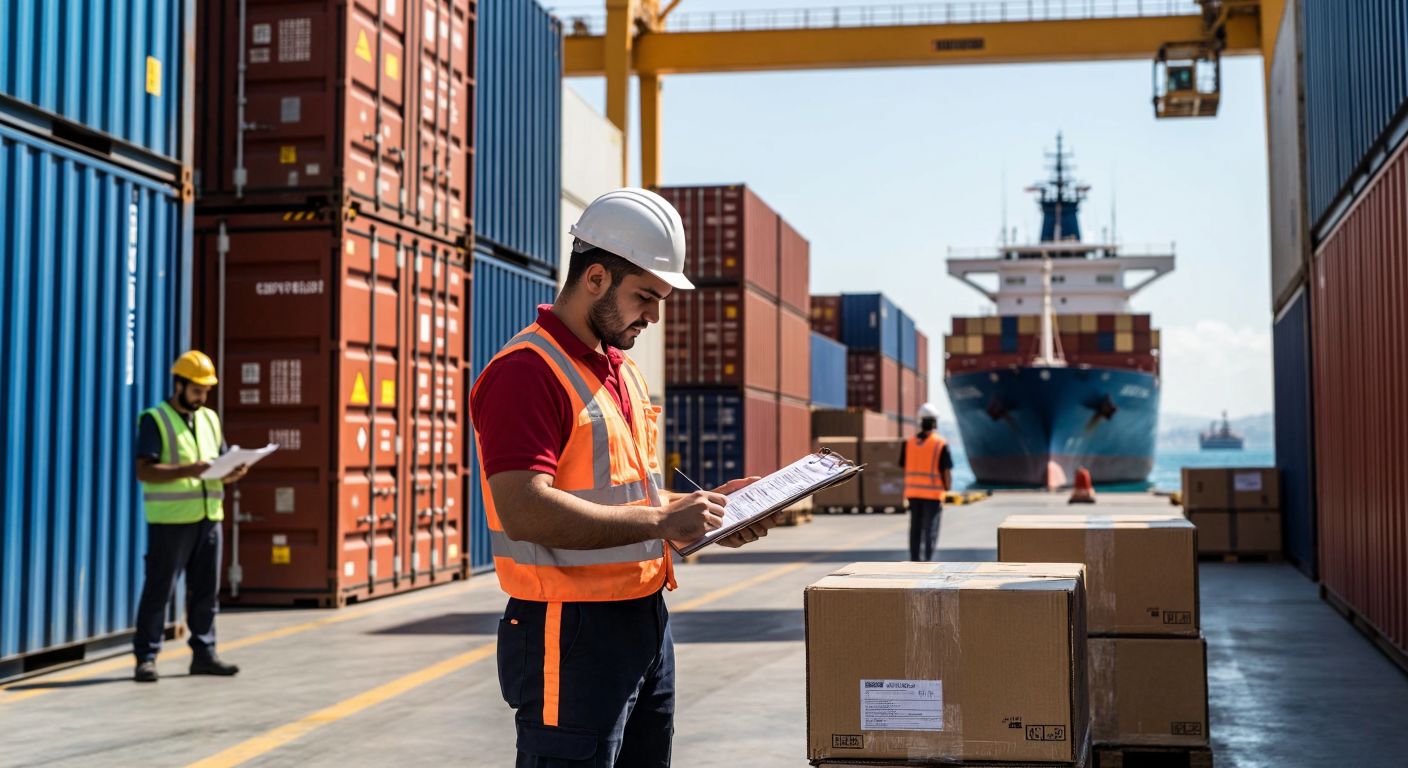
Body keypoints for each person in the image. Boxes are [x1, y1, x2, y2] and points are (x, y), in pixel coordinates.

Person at [470, 187, 778, 767]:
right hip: (569, 629)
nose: (655, 316)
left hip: (644, 621)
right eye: (645, 297)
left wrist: (705, 510)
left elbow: (625, 494)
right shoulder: (526, 374)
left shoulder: (621, 372)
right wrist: (664, 518)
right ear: (594, 279)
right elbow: (525, 509)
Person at [132, 350, 246, 683]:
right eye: (197, 389)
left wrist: (232, 471)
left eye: (206, 390)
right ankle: (146, 657)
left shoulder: (210, 419)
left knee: (206, 590)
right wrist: (190, 470)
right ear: (179, 384)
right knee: (159, 590)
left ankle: (204, 654)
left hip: (209, 517)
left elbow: (218, 463)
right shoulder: (155, 419)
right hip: (171, 521)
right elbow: (144, 471)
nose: (202, 396)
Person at [901, 403, 953, 562]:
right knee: (930, 529)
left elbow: (904, 466)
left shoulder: (909, 443)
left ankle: (915, 560)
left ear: (919, 421)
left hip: (913, 494)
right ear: (935, 422)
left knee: (915, 529)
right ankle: (926, 561)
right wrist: (947, 489)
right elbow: (946, 471)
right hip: (933, 494)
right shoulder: (940, 443)